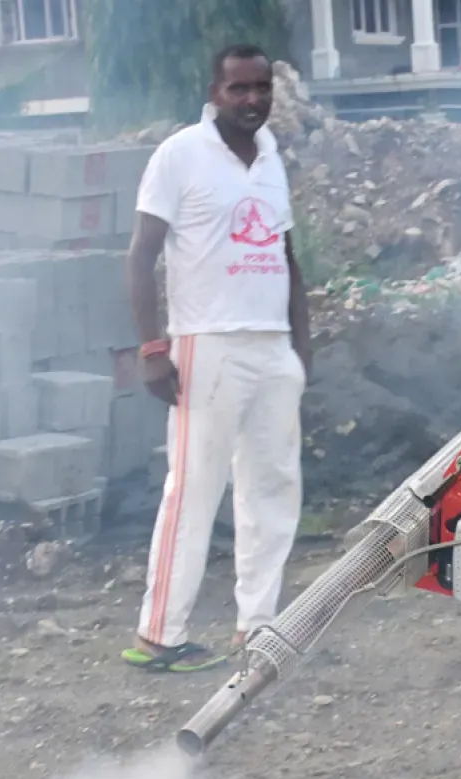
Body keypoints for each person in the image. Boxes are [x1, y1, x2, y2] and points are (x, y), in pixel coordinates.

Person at [121, 44, 313, 673]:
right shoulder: (180, 154)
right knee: (194, 489)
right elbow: (140, 255)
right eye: (240, 88)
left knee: (272, 487)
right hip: (207, 344)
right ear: (215, 93)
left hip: (271, 346)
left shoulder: (271, 156)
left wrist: (300, 349)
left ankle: (258, 626)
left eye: (262, 88)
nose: (253, 99)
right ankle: (160, 635)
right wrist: (153, 348)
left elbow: (286, 258)